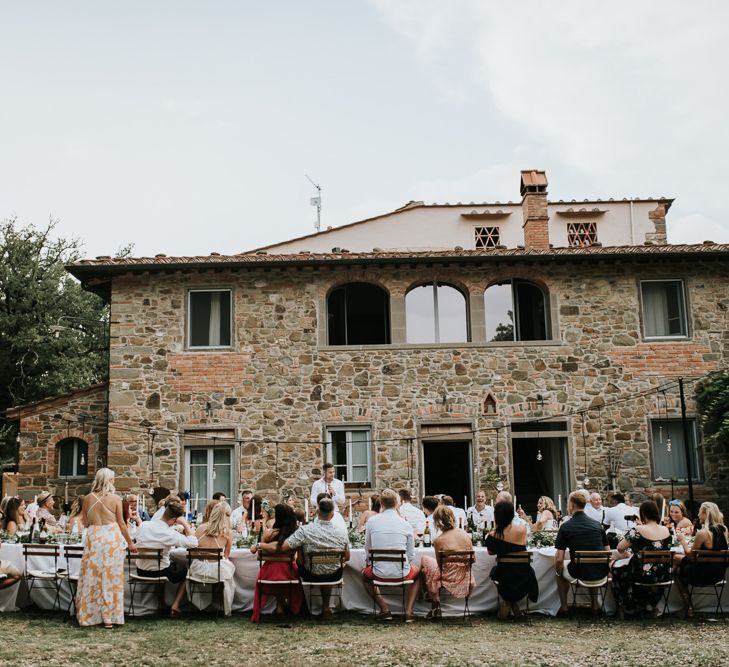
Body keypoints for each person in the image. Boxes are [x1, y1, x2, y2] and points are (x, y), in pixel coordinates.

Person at [257, 496, 350, 617]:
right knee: (330, 567)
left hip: (311, 574)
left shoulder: (305, 531)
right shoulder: (342, 532)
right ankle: (326, 607)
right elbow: (347, 557)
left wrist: (260, 544)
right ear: (332, 515)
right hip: (334, 575)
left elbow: (282, 547)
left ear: (317, 512)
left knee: (311, 565)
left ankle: (296, 605)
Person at [75, 468, 137, 628]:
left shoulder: (87, 498)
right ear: (110, 480)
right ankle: (109, 617)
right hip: (111, 538)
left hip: (94, 538)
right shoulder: (116, 498)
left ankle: (89, 616)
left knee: (92, 576)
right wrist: (130, 542)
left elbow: (86, 522)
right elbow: (122, 523)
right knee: (111, 578)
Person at [362, 489, 420, 622]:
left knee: (364, 576)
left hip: (378, 573)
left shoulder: (372, 521)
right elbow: (411, 554)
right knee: (418, 574)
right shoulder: (405, 524)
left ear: (381, 503)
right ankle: (409, 611)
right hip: (402, 573)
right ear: (397, 503)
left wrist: (372, 563)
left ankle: (384, 609)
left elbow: (368, 549)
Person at [135, 500, 198, 618]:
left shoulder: (144, 525)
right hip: (160, 572)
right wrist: (184, 524)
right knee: (186, 570)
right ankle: (175, 605)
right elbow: (193, 543)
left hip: (141, 571)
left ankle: (162, 603)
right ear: (174, 520)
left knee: (166, 564)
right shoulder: (169, 533)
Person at [611, 500, 672, 616]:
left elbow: (619, 548)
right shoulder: (666, 530)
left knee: (615, 569)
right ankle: (649, 605)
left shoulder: (638, 530)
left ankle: (626, 606)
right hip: (663, 574)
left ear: (643, 514)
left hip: (641, 574)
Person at [554, 491, 610, 614]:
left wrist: (558, 571)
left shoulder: (566, 526)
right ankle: (595, 606)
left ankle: (564, 608)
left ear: (572, 505)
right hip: (600, 572)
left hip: (579, 573)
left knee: (559, 571)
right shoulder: (597, 525)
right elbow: (608, 552)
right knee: (591, 565)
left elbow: (559, 559)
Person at [249, 504, 304, 622]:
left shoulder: (269, 533)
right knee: (287, 570)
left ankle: (279, 607)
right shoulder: (296, 534)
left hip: (269, 573)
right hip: (288, 571)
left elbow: (260, 555)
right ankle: (281, 606)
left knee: (276, 570)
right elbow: (299, 559)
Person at [420, 505, 475, 620]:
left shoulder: (438, 540)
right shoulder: (464, 534)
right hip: (465, 576)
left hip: (446, 577)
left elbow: (440, 566)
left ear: (437, 522)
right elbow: (473, 559)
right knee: (429, 564)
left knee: (424, 561)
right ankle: (432, 600)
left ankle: (432, 600)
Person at [675, 501, 728, 616]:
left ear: (705, 513)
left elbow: (689, 555)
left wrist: (683, 540)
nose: (698, 516)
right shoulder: (724, 530)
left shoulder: (703, 533)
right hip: (718, 574)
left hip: (702, 575)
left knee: (675, 566)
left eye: (699, 513)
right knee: (677, 562)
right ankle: (687, 606)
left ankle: (687, 606)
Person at [486, 501, 538, 619]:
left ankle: (508, 603)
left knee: (494, 571)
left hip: (504, 576)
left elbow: (490, 552)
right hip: (523, 574)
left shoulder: (494, 534)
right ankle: (512, 605)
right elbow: (523, 544)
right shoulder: (522, 530)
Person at [188, 501, 236, 616]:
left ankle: (203, 604)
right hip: (217, 572)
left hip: (198, 570)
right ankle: (220, 604)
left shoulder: (200, 528)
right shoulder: (227, 533)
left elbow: (193, 549)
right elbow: (226, 556)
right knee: (229, 571)